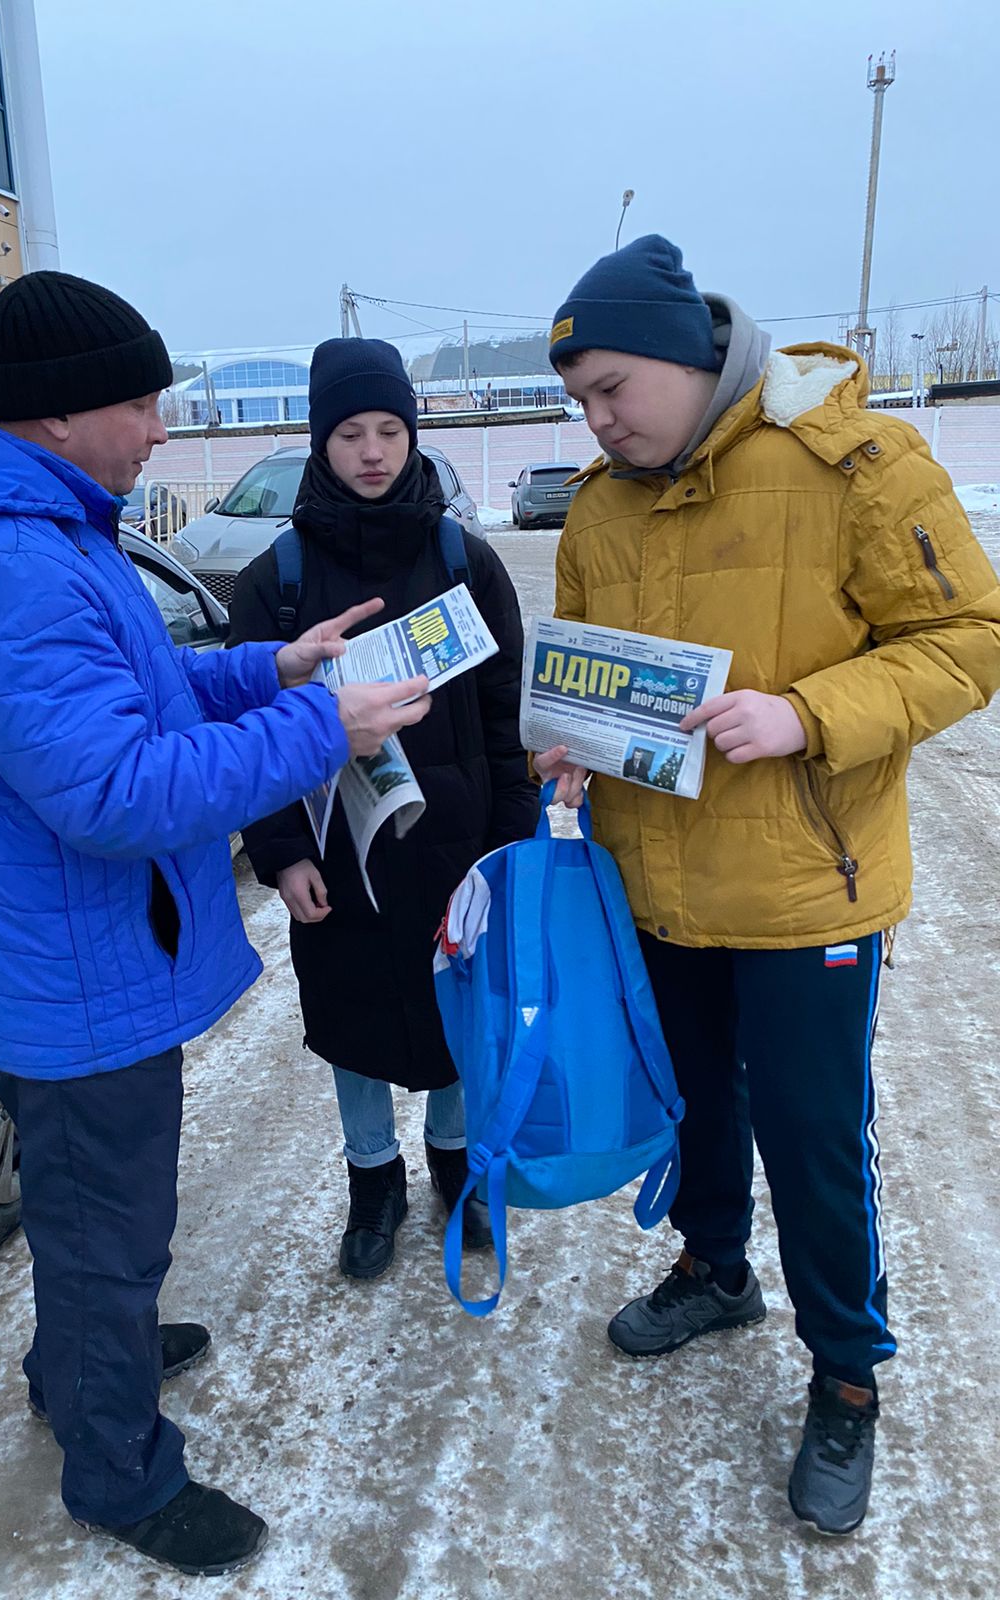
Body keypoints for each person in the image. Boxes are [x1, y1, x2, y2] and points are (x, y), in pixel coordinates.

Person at [0, 272, 432, 1579]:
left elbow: (143, 686)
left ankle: (80, 1361)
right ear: (61, 414)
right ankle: (117, 1466)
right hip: (73, 976)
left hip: (69, 957)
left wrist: (271, 668)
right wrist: (321, 727)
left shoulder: (37, 529)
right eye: (141, 403)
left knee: (89, 1216)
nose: (161, 430)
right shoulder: (4, 567)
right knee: (109, 1229)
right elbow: (115, 790)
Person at [533, 235, 1000, 1535]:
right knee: (693, 1100)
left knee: (811, 1137)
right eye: (578, 399)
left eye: (612, 387)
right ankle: (716, 1267)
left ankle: (846, 1377)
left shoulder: (855, 461)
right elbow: (588, 672)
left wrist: (808, 713)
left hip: (807, 893)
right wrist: (567, 743)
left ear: (688, 358)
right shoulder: (599, 507)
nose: (596, 418)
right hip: (658, 884)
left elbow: (970, 638)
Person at [228, 338, 538, 1280]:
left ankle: (456, 1162)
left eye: (390, 431)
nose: (372, 451)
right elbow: (251, 737)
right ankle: (373, 1180)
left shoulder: (465, 562)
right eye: (350, 433)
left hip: (456, 847)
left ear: (412, 436)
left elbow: (505, 717)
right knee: (353, 1019)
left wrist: (509, 841)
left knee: (459, 1014)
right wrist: (283, 852)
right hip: (340, 859)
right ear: (320, 443)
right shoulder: (276, 582)